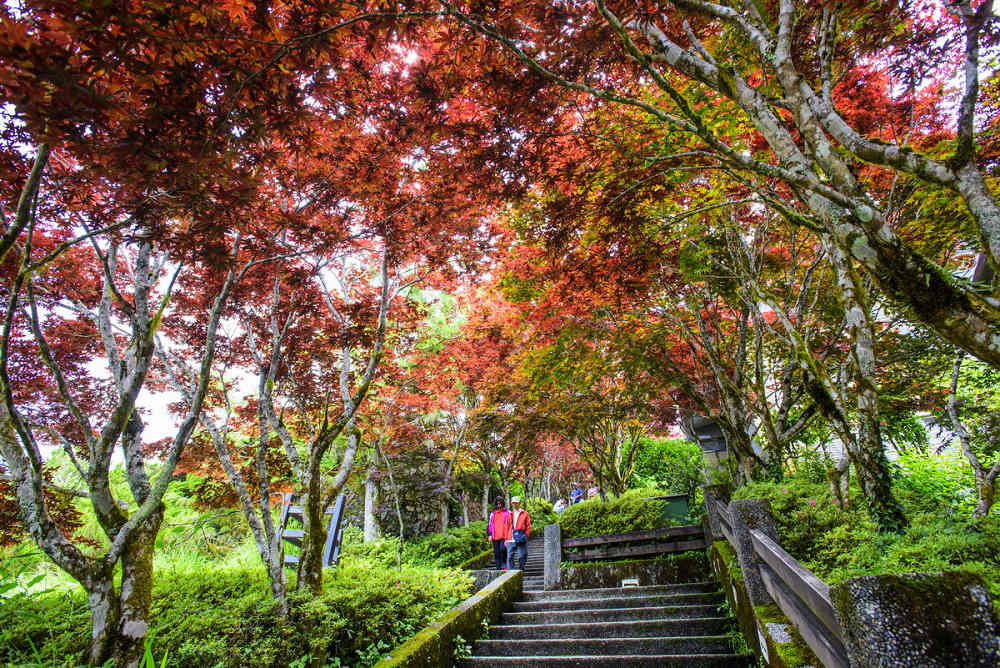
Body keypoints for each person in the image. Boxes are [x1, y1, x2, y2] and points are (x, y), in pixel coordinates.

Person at [507, 496, 532, 570]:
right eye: (513, 503)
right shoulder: (510, 514)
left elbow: (528, 526)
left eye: (516, 503)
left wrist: (526, 535)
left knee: (522, 556)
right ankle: (512, 573)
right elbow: (507, 526)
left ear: (519, 503)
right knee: (510, 556)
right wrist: (506, 538)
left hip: (521, 536)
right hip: (511, 537)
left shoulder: (525, 513)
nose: (515, 504)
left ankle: (521, 570)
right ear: (512, 504)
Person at [486, 498, 511, 569]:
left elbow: (510, 524)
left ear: (502, 504)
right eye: (497, 504)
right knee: (496, 553)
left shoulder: (507, 512)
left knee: (503, 549)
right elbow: (489, 525)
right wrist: (490, 534)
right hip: (495, 536)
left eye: (500, 503)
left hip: (504, 536)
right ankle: (498, 567)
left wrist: (509, 536)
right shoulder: (493, 514)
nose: (499, 505)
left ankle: (505, 565)